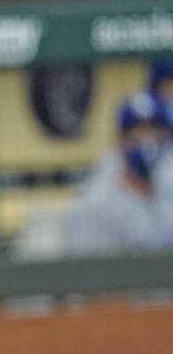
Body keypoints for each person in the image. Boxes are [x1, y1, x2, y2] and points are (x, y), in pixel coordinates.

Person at [16, 91, 173, 259]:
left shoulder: (165, 198)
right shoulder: (92, 206)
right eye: (137, 133)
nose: (148, 141)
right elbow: (90, 280)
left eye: (156, 131)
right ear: (119, 141)